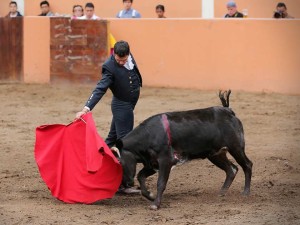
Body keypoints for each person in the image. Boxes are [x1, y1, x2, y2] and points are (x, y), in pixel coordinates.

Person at [75, 40, 142, 159]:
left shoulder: (128, 55)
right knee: (125, 141)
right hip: (122, 106)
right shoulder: (109, 67)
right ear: (114, 54)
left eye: (124, 60)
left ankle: (97, 160)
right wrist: (86, 109)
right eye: (118, 60)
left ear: (128, 53)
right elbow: (100, 89)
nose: (121, 62)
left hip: (129, 103)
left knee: (112, 138)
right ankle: (123, 172)